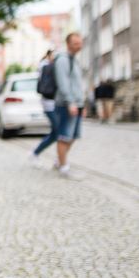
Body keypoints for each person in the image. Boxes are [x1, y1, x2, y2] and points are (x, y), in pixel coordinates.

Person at [53, 32, 85, 179]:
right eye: (76, 43)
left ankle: (60, 160)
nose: (79, 46)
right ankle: (64, 168)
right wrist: (70, 102)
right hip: (66, 104)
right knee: (64, 136)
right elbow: (63, 83)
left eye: (80, 43)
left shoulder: (75, 60)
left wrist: (81, 104)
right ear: (68, 44)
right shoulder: (63, 60)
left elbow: (77, 84)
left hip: (76, 104)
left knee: (73, 136)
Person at [29, 49, 59, 166]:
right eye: (53, 55)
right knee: (57, 132)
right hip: (49, 103)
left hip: (54, 103)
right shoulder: (45, 66)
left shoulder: (47, 66)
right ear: (48, 55)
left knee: (56, 133)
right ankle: (35, 153)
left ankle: (58, 159)